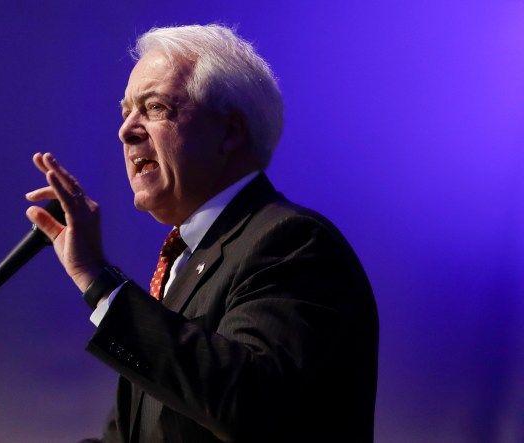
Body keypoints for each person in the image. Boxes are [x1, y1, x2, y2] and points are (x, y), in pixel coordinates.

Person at [25, 24, 378, 443]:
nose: (126, 130)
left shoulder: (292, 243)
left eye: (153, 108)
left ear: (229, 131)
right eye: (125, 113)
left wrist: (100, 283)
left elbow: (248, 401)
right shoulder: (182, 265)